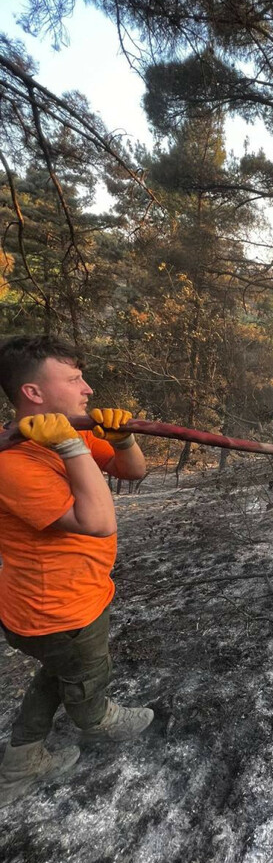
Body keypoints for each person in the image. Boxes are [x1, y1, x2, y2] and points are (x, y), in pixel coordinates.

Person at [0, 335, 154, 808]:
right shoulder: (14, 462)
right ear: (33, 393)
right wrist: (70, 445)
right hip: (59, 613)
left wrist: (123, 439)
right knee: (85, 678)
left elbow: (135, 472)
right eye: (73, 379)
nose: (87, 389)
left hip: (61, 605)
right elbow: (98, 521)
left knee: (55, 674)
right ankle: (99, 719)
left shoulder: (69, 432)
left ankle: (17, 766)